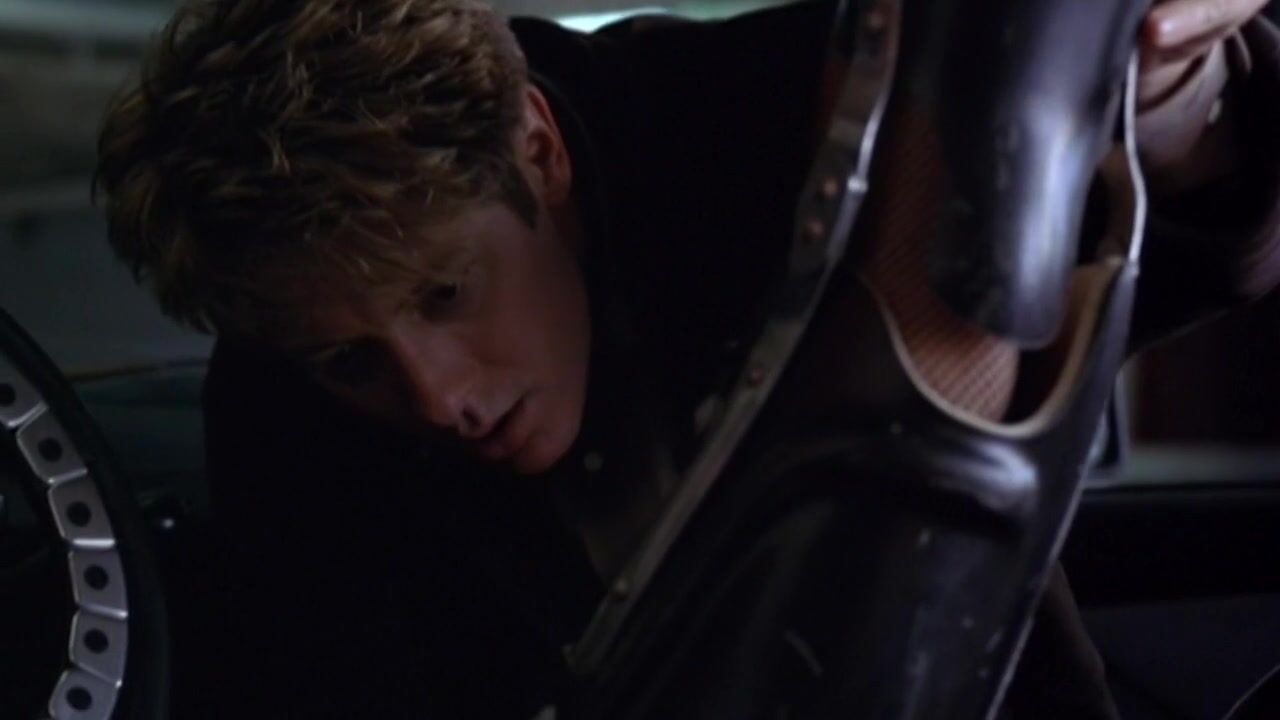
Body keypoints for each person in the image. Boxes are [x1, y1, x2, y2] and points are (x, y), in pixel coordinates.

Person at [94, 0, 1280, 716]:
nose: (436, 395)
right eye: (351, 360)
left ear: (536, 148)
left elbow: (1194, 241)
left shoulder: (793, 119)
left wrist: (1170, 98)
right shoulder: (281, 412)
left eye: (446, 292)